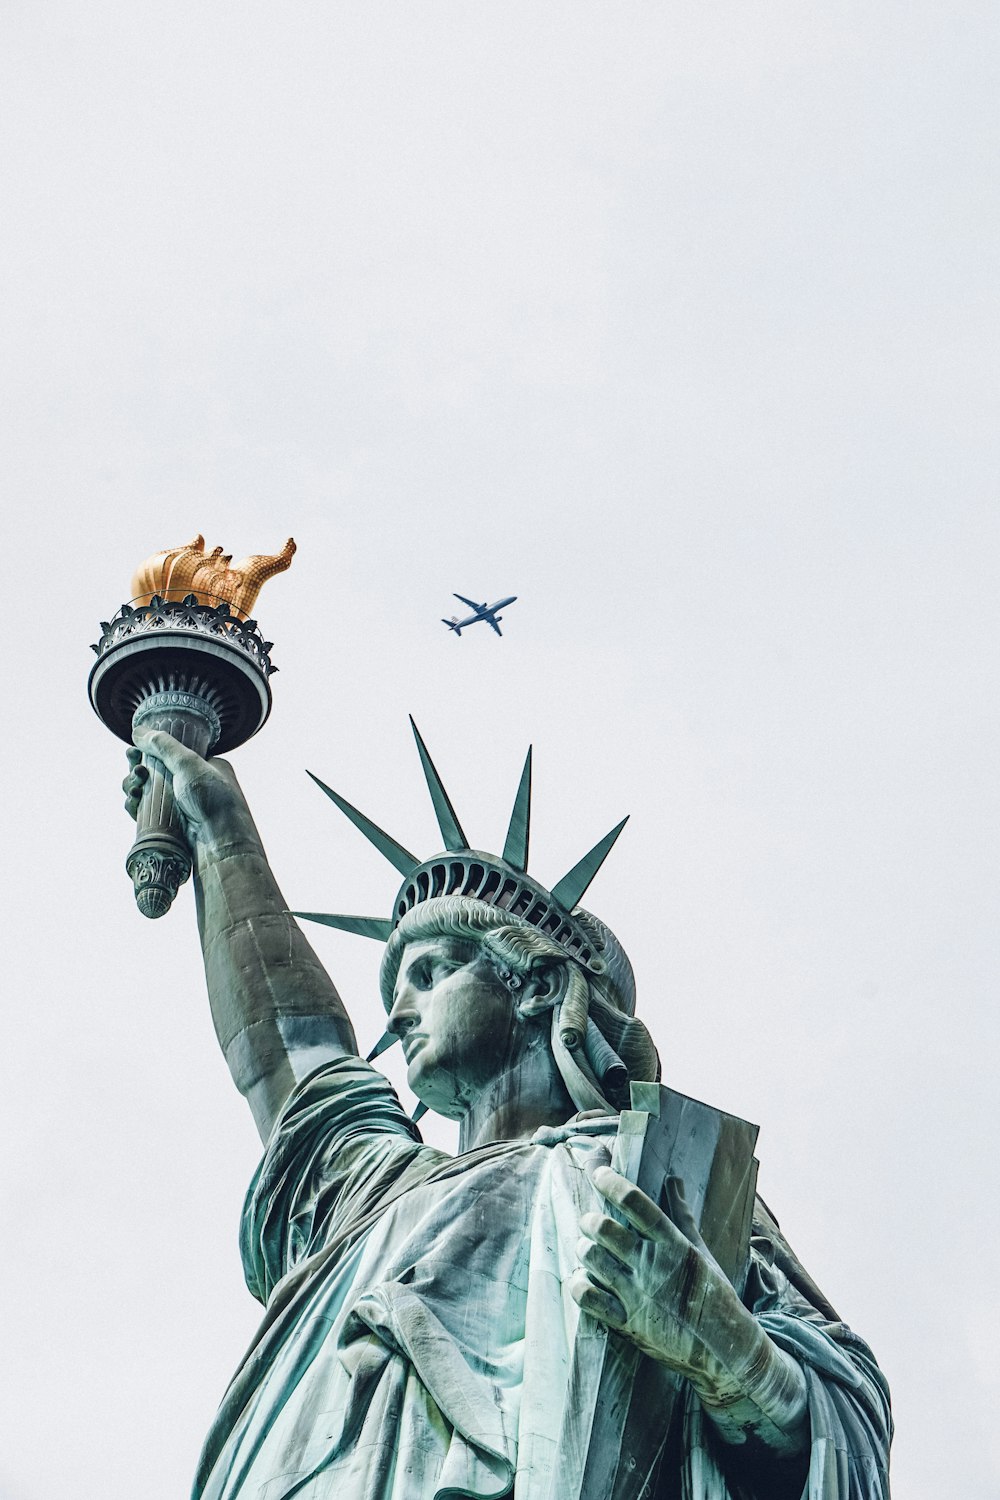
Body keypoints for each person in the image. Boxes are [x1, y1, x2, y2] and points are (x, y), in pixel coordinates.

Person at [123, 726, 892, 1500]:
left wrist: (725, 1351)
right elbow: (292, 1054)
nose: (399, 1013)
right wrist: (218, 827)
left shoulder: (651, 1185)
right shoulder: (379, 1194)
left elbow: (846, 1426)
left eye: (432, 972)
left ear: (534, 987)